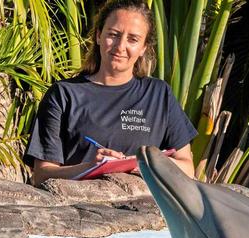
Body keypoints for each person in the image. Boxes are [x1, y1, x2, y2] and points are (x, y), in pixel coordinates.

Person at [23, 0, 197, 186]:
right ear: (98, 36)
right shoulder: (64, 94)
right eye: (113, 35)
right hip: (78, 209)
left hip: (146, 209)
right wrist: (93, 167)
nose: (120, 46)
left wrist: (147, 164)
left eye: (133, 39)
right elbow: (42, 174)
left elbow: (187, 167)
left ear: (143, 48)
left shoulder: (159, 94)